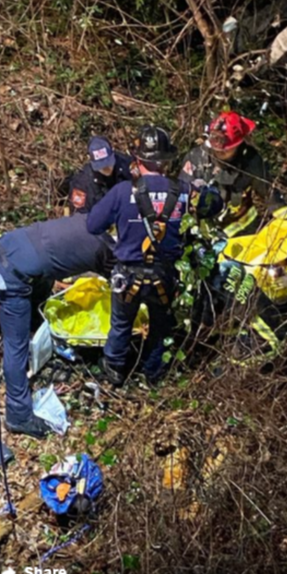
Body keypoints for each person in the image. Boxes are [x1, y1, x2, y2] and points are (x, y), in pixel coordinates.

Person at [87, 125, 223, 386]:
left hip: (126, 276)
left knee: (121, 325)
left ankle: (114, 372)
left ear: (138, 160)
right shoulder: (184, 191)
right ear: (167, 161)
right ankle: (153, 374)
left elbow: (93, 225)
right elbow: (214, 206)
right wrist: (205, 190)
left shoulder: (121, 191)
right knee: (160, 329)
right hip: (165, 276)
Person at [0, 213, 116, 438]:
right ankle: (18, 414)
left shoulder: (92, 219)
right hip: (10, 273)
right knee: (15, 344)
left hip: (11, 246)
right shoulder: (109, 251)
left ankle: (36, 329)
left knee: (42, 282)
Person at [178, 111, 285, 236]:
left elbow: (270, 194)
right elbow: (181, 197)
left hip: (245, 232)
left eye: (226, 150)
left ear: (238, 143)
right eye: (216, 148)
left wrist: (285, 222)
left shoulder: (250, 160)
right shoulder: (196, 158)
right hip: (203, 235)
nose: (220, 152)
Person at [62, 136, 134, 215]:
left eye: (108, 163)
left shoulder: (126, 164)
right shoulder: (82, 183)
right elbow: (79, 217)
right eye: (102, 166)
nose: (106, 168)